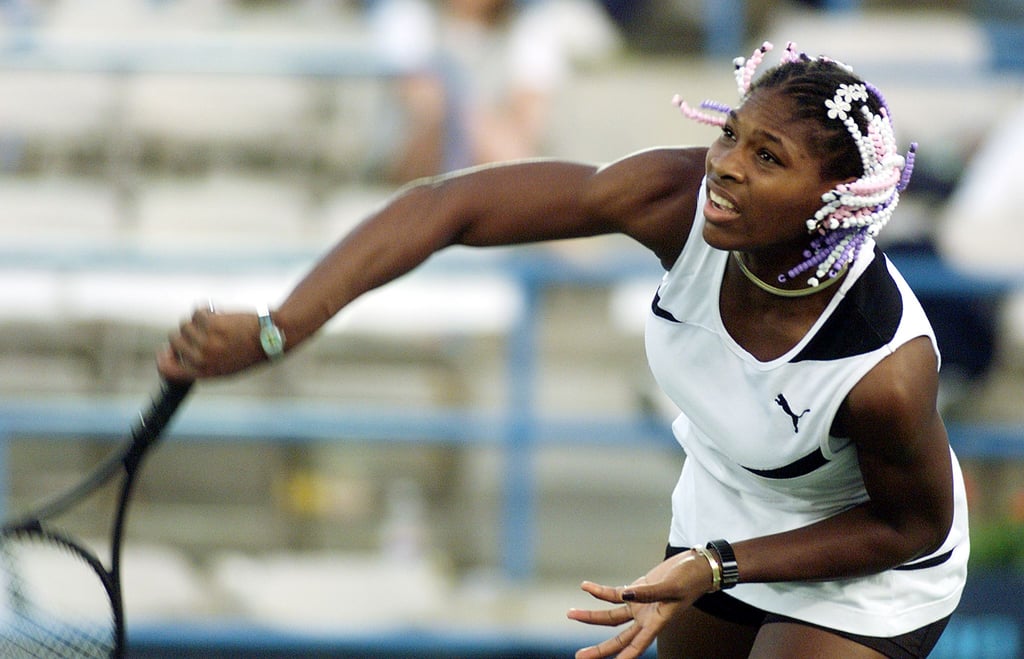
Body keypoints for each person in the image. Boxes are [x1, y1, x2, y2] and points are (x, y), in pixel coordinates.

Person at [158, 41, 969, 658]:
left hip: (870, 560)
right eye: (731, 134)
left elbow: (908, 525)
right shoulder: (671, 198)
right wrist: (282, 326)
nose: (725, 167)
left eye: (768, 158)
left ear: (835, 201)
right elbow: (453, 205)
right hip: (728, 504)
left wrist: (719, 565)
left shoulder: (884, 369)